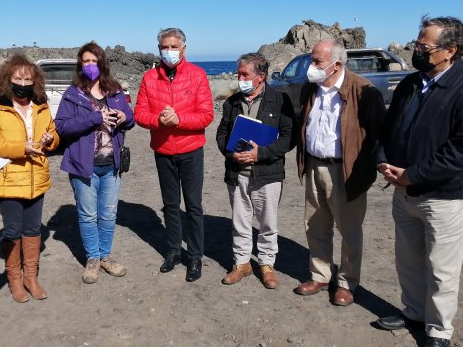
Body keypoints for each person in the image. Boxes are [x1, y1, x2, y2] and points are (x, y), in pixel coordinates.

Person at [376, 16, 463, 347]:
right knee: (408, 259)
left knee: (442, 269)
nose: (416, 48)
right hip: (403, 191)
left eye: (423, 46)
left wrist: (413, 174)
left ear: (450, 50)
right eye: (416, 42)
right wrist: (383, 161)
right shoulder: (412, 83)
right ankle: (414, 312)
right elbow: (389, 129)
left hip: (443, 197)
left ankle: (439, 331)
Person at [294, 38, 385, 306]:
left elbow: (378, 136)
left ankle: (346, 282)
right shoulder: (311, 89)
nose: (312, 66)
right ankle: (320, 275)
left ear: (336, 64)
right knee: (315, 225)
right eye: (312, 59)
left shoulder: (363, 90)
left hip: (346, 170)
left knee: (349, 231)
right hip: (314, 165)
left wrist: (367, 171)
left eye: (317, 61)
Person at [0, 54, 59, 302]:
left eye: (28, 79)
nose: (22, 83)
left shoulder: (40, 106)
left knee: (33, 229)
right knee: (13, 229)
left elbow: (53, 134)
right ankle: (14, 278)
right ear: (7, 79)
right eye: (18, 78)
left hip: (36, 176)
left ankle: (30, 276)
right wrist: (21, 147)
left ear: (35, 82)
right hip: (9, 178)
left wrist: (49, 140)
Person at [134, 28, 214, 282]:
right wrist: (159, 120)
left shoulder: (198, 75)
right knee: (170, 205)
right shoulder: (149, 78)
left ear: (183, 49)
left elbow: (206, 114)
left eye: (173, 47)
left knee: (193, 206)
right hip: (163, 151)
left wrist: (179, 120)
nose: (169, 51)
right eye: (164, 47)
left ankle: (195, 256)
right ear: (159, 50)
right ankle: (172, 251)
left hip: (191, 150)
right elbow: (139, 114)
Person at [55, 42, 135, 284]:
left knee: (109, 214)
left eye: (94, 61)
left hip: (112, 163)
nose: (90, 65)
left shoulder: (115, 90)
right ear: (80, 64)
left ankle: (105, 256)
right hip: (83, 164)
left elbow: (131, 119)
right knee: (88, 215)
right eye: (86, 61)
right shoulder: (73, 94)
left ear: (102, 63)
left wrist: (124, 116)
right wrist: (94, 117)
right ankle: (92, 258)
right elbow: (61, 127)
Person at [215, 53, 296, 288]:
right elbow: (221, 134)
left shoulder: (280, 100)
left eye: (245, 74)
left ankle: (266, 264)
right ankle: (241, 264)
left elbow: (289, 137)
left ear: (261, 76)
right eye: (238, 74)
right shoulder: (231, 102)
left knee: (267, 223)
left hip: (267, 174)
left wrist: (261, 153)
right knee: (239, 222)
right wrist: (231, 154)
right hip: (237, 173)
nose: (240, 79)